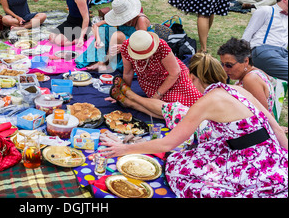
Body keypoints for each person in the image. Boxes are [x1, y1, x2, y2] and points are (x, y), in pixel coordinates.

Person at [101, 80, 288, 198]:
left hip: (250, 164)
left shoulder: (208, 101)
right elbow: (276, 128)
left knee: (177, 169)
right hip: (273, 154)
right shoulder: (239, 90)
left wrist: (124, 149)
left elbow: (169, 143)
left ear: (194, 79)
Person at [106, 52, 227, 142]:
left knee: (174, 110)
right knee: (174, 113)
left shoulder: (207, 99)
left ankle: (131, 97)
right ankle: (130, 101)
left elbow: (167, 143)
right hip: (218, 133)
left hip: (215, 137)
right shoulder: (227, 90)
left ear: (192, 77)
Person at [116, 30, 202, 108]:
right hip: (151, 83)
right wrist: (124, 91)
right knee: (174, 107)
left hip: (176, 77)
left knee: (197, 101)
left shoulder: (161, 45)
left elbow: (175, 72)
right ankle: (131, 100)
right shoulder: (126, 47)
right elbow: (128, 72)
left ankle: (133, 100)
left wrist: (157, 96)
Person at [76, 0, 150, 72]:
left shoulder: (141, 20)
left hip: (137, 45)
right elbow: (96, 25)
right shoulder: (118, 17)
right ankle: (101, 62)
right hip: (119, 43)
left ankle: (109, 65)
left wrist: (124, 46)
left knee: (117, 34)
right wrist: (97, 39)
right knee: (105, 28)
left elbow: (144, 42)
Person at [218, 38, 277, 118]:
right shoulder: (254, 72)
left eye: (229, 65)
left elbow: (263, 114)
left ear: (246, 61)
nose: (225, 69)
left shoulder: (250, 79)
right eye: (223, 64)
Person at [241, 0, 288, 82]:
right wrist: (242, 58)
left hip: (283, 53)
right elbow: (248, 34)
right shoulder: (266, 11)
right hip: (264, 50)